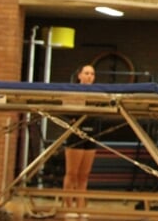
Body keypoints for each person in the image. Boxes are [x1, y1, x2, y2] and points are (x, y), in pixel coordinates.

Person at [62, 64, 98, 218]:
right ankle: (68, 207)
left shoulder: (97, 93)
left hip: (92, 135)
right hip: (75, 135)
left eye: (92, 73)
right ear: (79, 76)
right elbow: (64, 109)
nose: (89, 76)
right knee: (72, 174)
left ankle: (80, 209)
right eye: (86, 73)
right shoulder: (73, 91)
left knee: (84, 175)